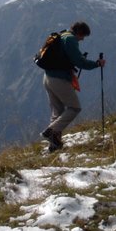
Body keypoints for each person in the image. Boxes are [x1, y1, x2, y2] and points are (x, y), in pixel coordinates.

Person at [40, 21, 105, 152]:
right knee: (74, 108)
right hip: (59, 79)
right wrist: (97, 64)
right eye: (83, 36)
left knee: (57, 111)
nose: (82, 39)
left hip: (48, 77)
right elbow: (79, 62)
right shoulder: (70, 39)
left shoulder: (62, 35)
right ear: (79, 32)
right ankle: (50, 132)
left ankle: (54, 145)